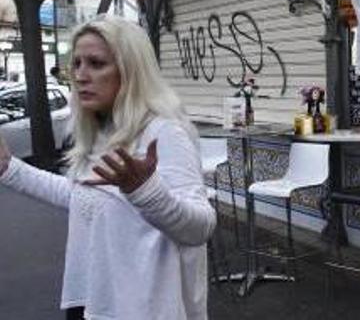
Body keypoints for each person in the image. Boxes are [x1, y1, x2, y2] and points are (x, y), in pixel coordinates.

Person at [0, 16, 215, 320]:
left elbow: (201, 227)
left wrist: (145, 191)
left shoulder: (163, 132)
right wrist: (10, 169)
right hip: (93, 299)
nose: (81, 75)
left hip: (141, 308)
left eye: (96, 63)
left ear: (130, 72)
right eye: (76, 64)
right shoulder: (100, 130)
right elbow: (83, 196)